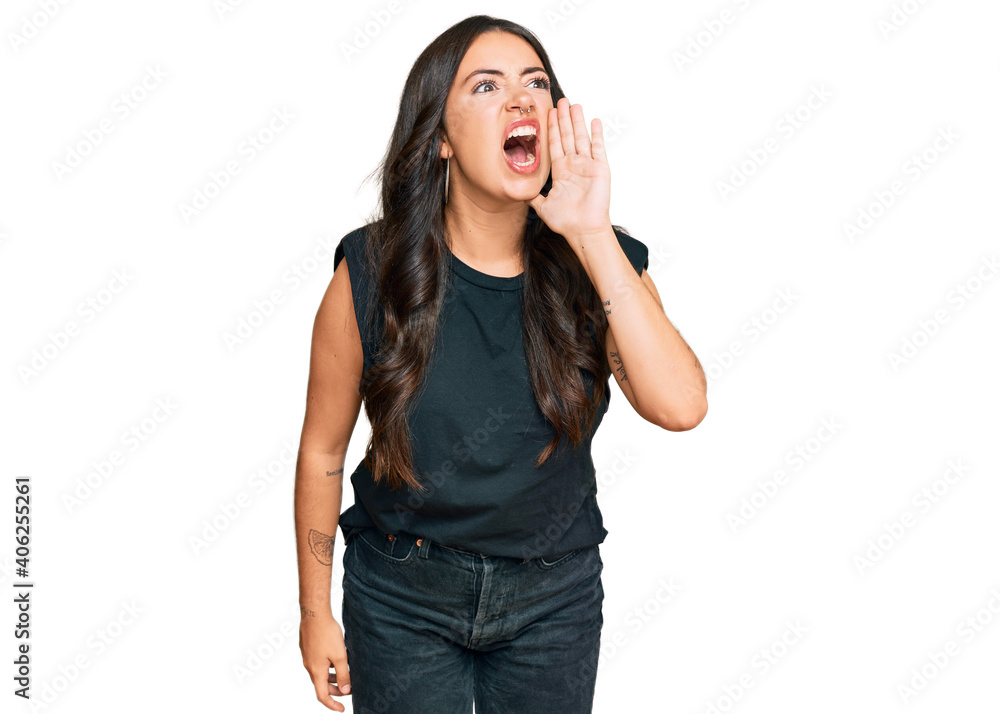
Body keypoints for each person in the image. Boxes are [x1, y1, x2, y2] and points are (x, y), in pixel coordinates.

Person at [294, 15, 707, 713]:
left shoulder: (603, 264)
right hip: (402, 596)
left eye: (536, 84)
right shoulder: (369, 272)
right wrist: (314, 615)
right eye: (487, 86)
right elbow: (322, 451)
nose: (521, 101)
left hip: (554, 599)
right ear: (441, 139)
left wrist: (591, 232)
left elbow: (681, 406)